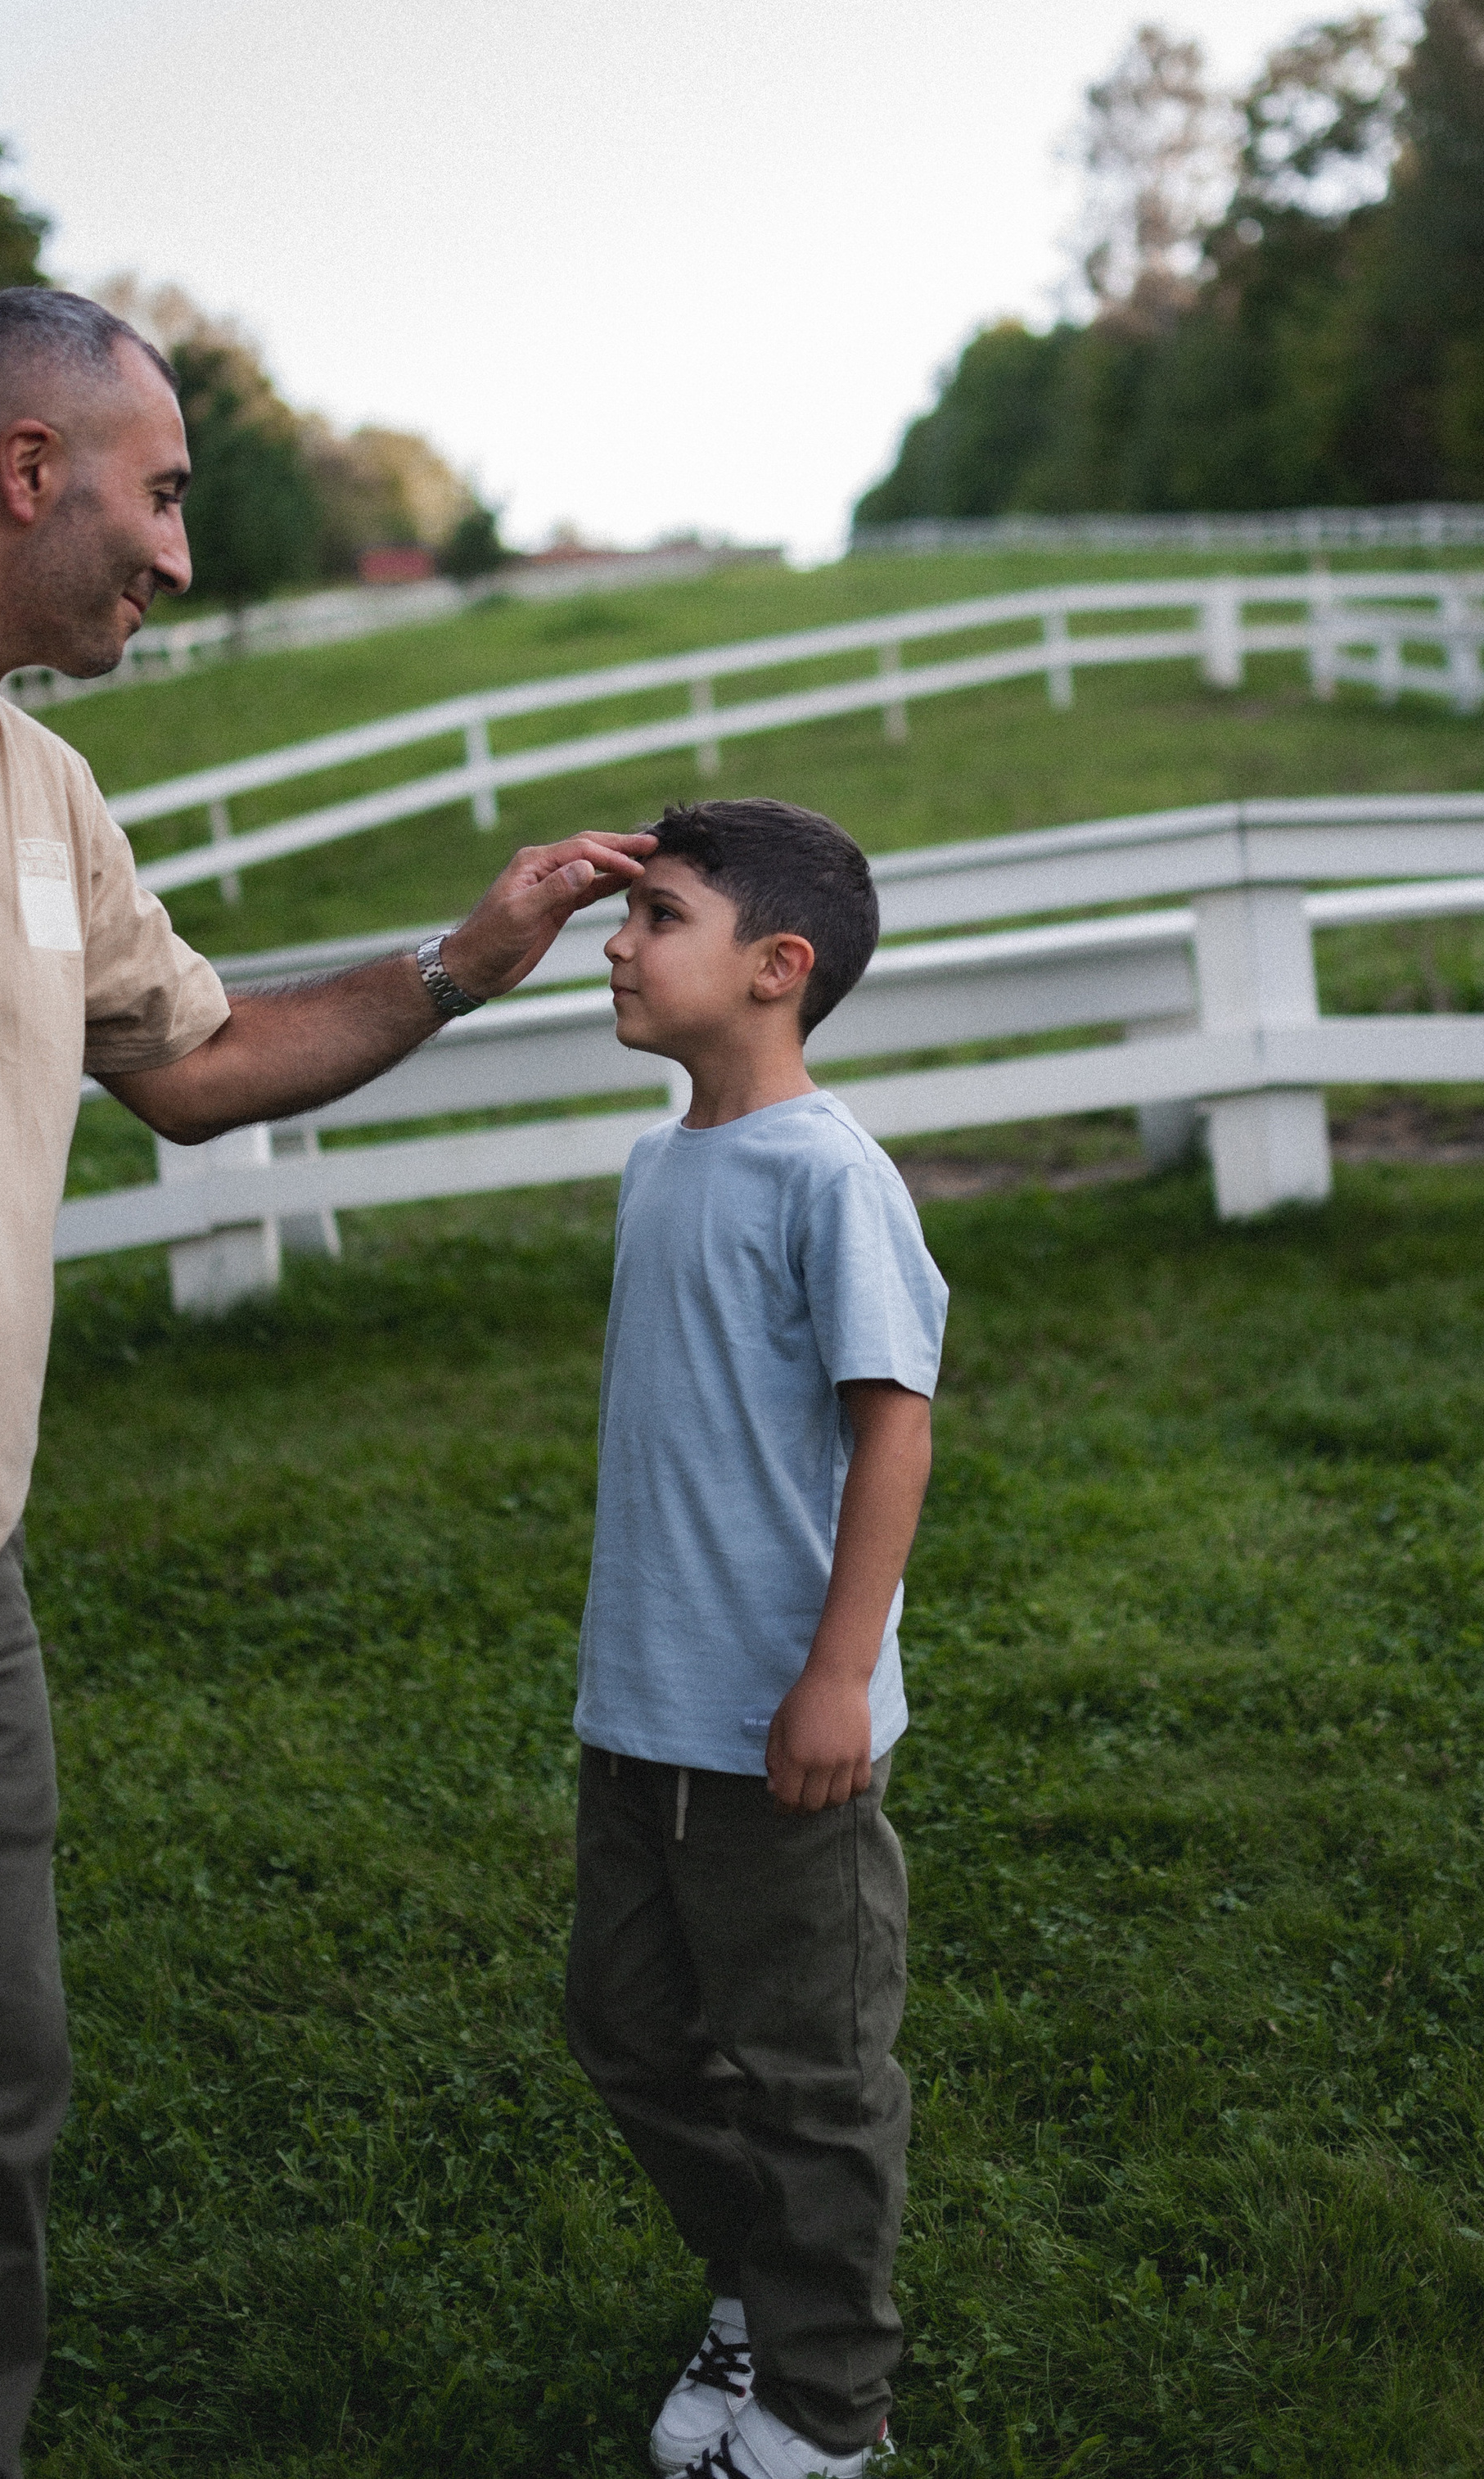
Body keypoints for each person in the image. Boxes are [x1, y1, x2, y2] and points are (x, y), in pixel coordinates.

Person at [0, 286, 652, 2478]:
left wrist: (460, 965)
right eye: (160, 495)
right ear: (26, 472)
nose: (179, 552)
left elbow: (194, 1064)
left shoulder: (44, 794)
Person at [566, 797, 948, 2479]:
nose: (617, 942)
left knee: (811, 2074)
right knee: (629, 2025)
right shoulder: (662, 1159)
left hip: (784, 1729)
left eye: (654, 913)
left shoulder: (827, 1176)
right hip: (638, 1709)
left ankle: (823, 2404)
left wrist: (834, 1674)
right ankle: (759, 2277)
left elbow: (894, 1426)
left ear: (773, 968)